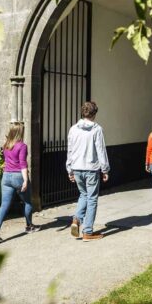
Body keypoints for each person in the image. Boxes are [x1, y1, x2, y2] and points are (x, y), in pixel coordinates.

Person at [66, 101, 110, 242]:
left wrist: (69, 169)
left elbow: (70, 150)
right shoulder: (96, 129)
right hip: (91, 168)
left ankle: (76, 220)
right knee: (91, 199)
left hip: (77, 167)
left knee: (83, 195)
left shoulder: (73, 129)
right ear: (94, 113)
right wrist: (105, 169)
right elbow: (101, 151)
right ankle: (88, 232)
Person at [0, 122, 39, 243]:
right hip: (18, 176)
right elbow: (23, 164)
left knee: (4, 205)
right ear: (20, 132)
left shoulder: (6, 145)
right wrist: (26, 180)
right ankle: (29, 226)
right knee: (27, 202)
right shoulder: (22, 146)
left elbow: (5, 160)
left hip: (6, 176)